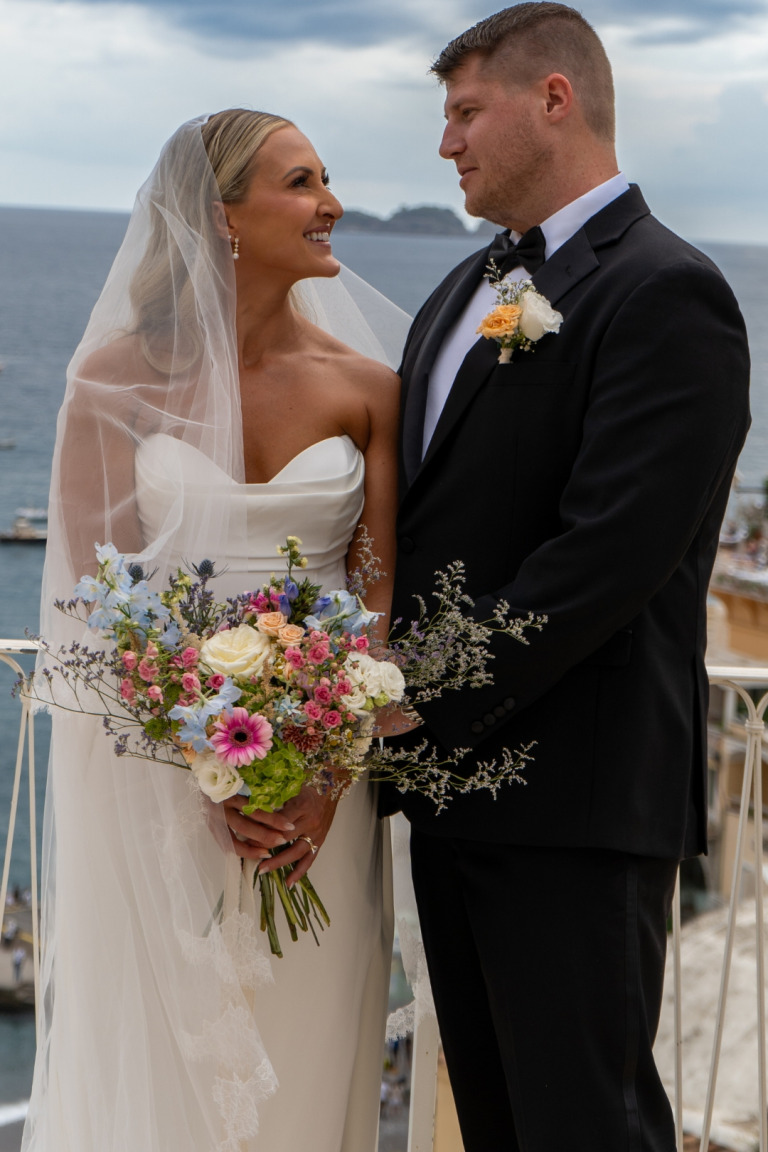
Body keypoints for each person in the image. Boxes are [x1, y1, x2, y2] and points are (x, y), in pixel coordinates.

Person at [382, 5, 751, 1150]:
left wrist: (415, 694)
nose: (446, 145)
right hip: (453, 797)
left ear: (556, 98)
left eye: (464, 111)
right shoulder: (463, 291)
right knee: (496, 1121)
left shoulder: (665, 292)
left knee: (586, 1127)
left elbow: (603, 560)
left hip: (576, 804)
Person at [23, 110, 409, 1152]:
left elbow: (376, 604)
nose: (331, 204)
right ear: (221, 217)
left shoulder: (371, 392)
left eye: (326, 180)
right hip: (157, 785)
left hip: (322, 796)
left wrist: (323, 775)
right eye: (302, 182)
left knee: (308, 1041)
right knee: (163, 1057)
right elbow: (89, 603)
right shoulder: (111, 384)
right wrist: (199, 757)